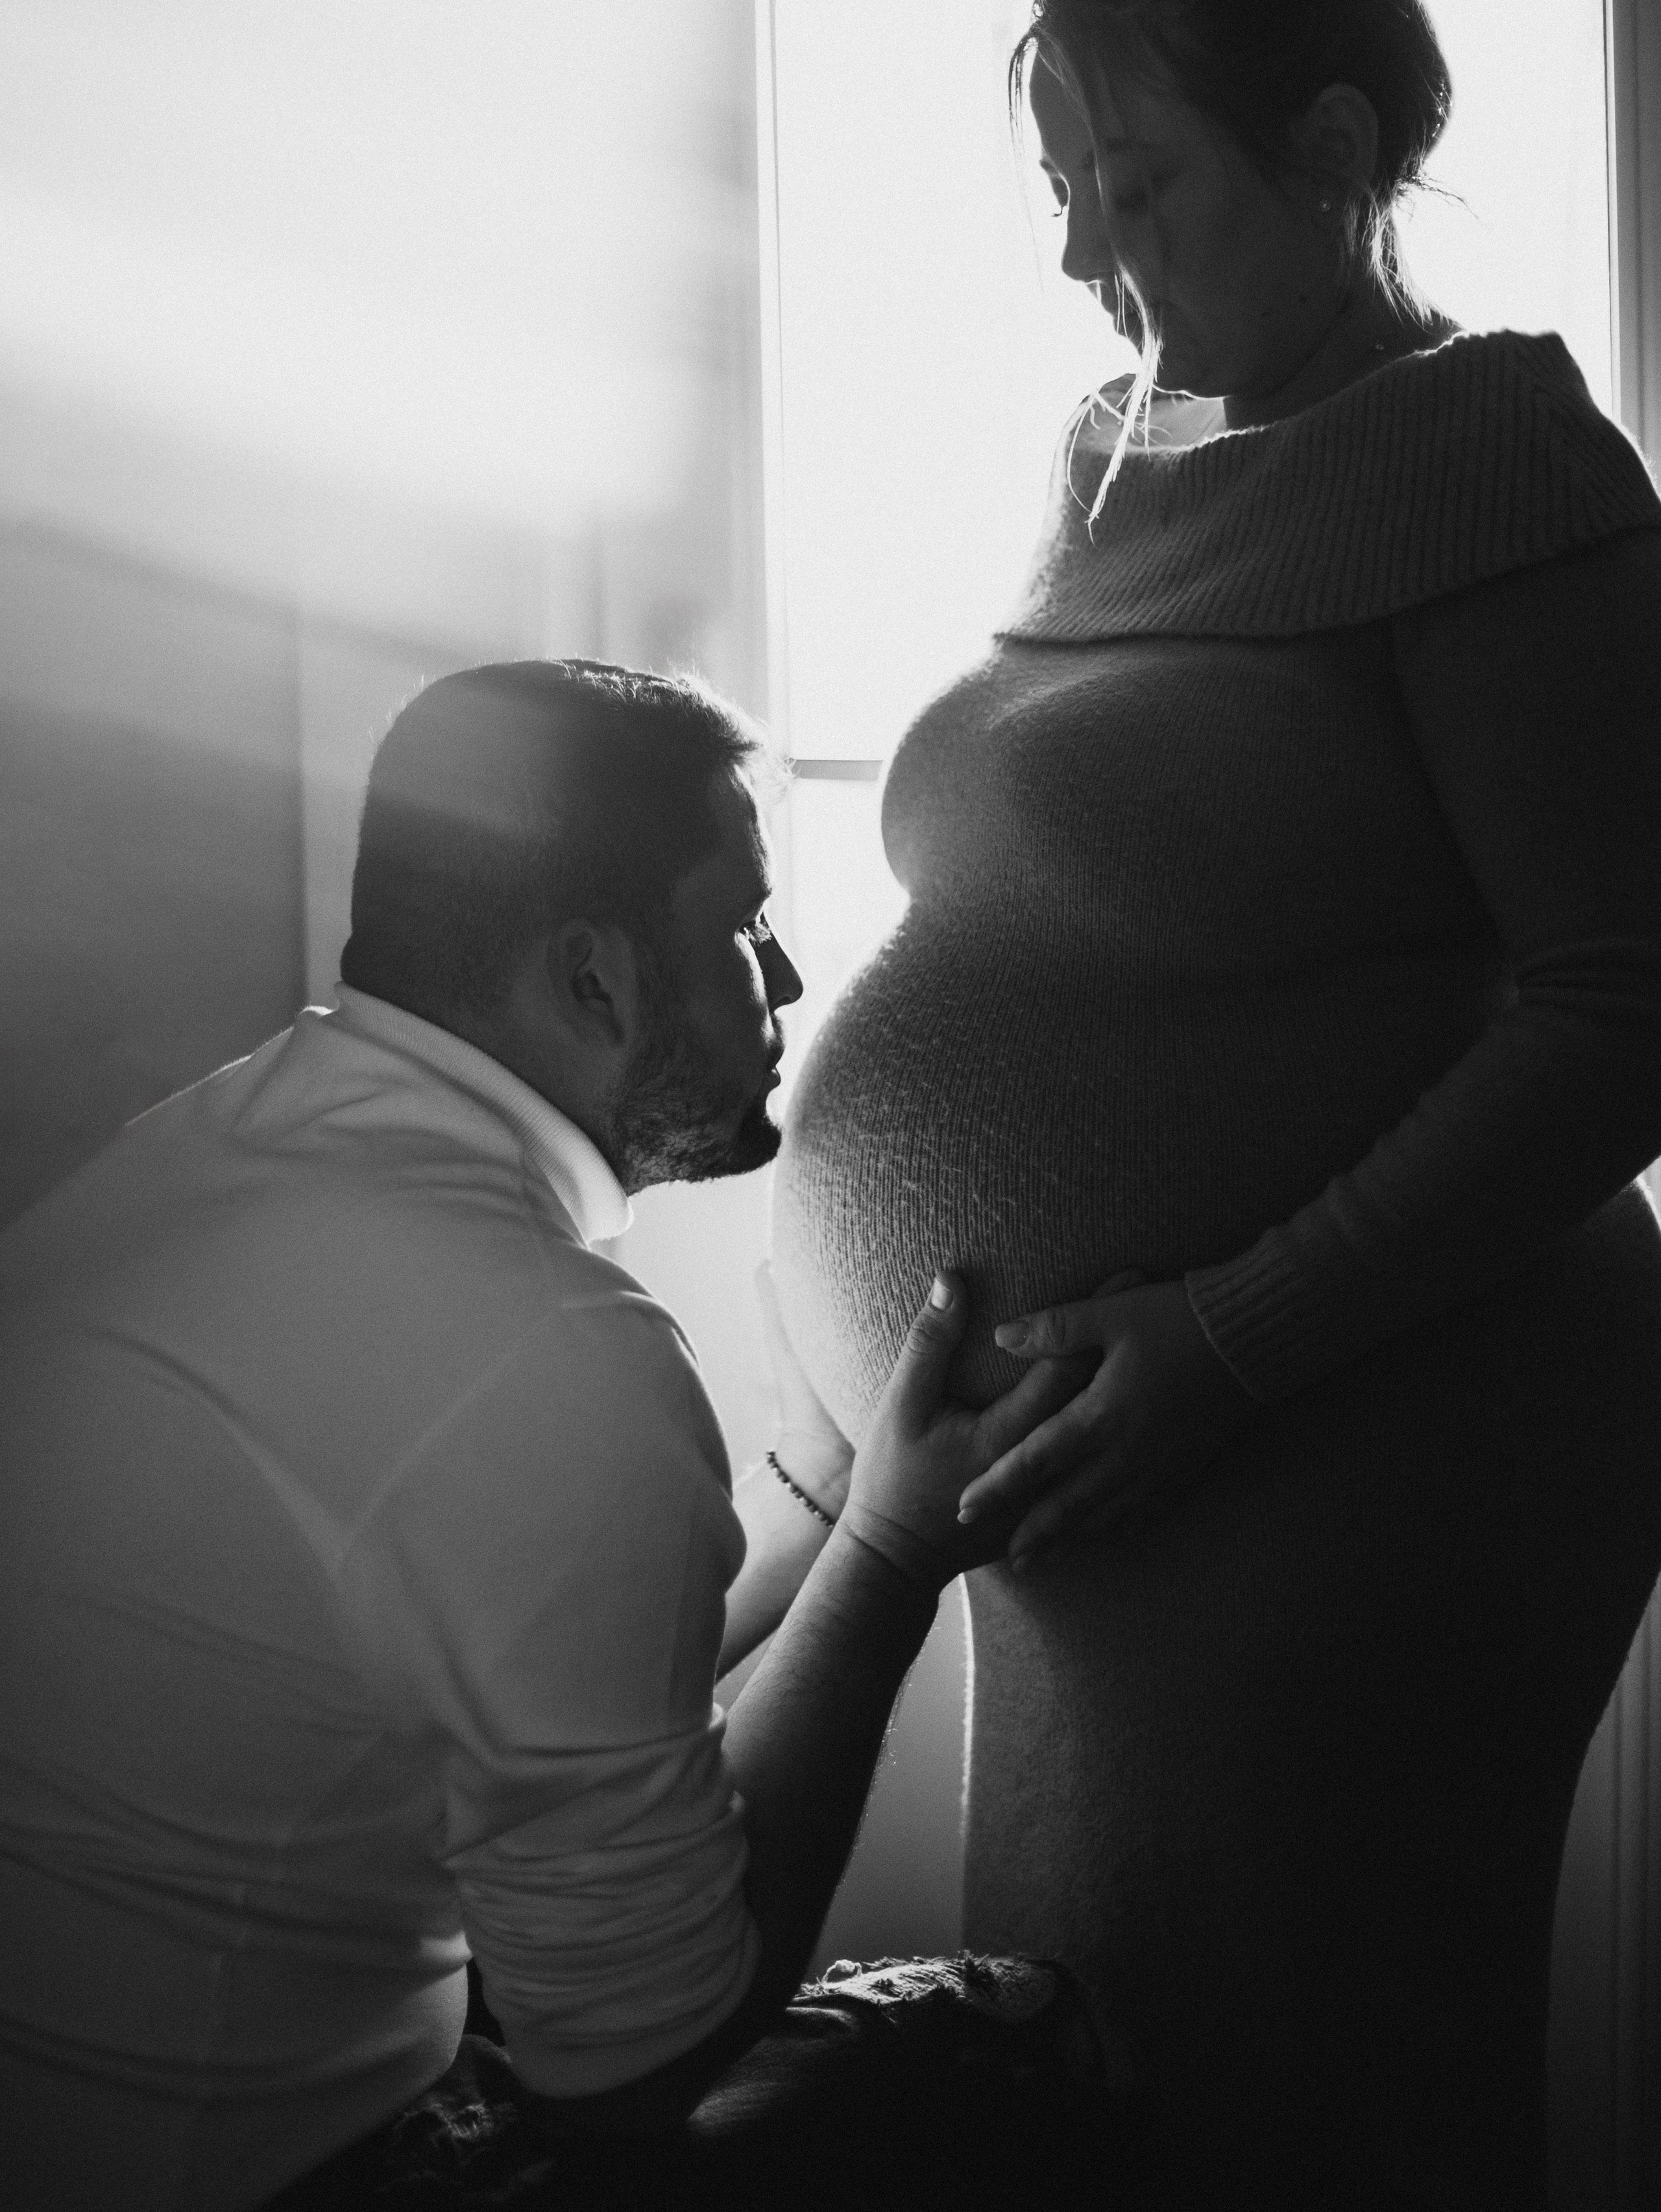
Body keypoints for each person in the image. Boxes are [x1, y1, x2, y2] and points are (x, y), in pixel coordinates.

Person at [770, 0, 1661, 2211]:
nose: (1085, 253)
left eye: (1134, 184)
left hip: (1368, 1439)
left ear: (1345, 156)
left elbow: (1624, 1002)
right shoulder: (1112, 447)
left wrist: (1228, 1335)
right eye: (1064, 186)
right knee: (1085, 2075)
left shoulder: (1492, 463)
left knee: (1288, 2091)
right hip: (1093, 1471)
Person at [0, 661, 1137, 2212]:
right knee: (1009, 2048)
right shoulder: (540, 1345)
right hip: (257, 2178)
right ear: (594, 978)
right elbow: (632, 2070)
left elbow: (520, 1684)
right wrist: (889, 1560)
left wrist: (815, 1494)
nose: (788, 979)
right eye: (740, 926)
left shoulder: (214, 1151)